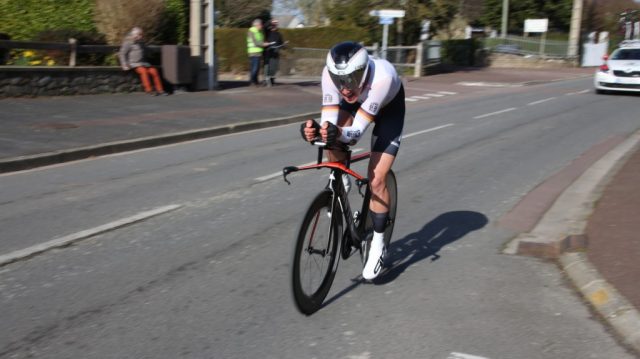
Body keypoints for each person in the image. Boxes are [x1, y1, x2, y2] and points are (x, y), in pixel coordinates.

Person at [300, 41, 405, 280]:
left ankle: (378, 245)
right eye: (340, 81)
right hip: (358, 104)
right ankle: (341, 183)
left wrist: (337, 132)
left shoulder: (382, 78)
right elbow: (329, 123)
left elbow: (356, 133)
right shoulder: (329, 76)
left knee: (377, 179)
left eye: (352, 78)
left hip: (389, 108)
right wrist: (315, 131)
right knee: (331, 135)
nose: (345, 87)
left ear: (365, 71)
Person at [119, 27, 167, 96]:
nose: (141, 36)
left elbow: (146, 50)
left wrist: (151, 52)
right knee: (143, 71)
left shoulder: (141, 42)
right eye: (139, 34)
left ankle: (160, 90)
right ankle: (149, 90)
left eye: (141, 35)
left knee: (154, 71)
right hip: (134, 64)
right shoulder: (128, 42)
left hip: (144, 63)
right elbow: (122, 53)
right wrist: (124, 65)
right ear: (134, 34)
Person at [247, 19, 272, 87]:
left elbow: (260, 41)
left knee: (256, 68)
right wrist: (264, 44)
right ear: (257, 25)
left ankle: (255, 81)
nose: (262, 26)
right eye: (261, 24)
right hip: (253, 52)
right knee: (255, 68)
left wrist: (264, 43)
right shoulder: (251, 31)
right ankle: (252, 82)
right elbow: (255, 42)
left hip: (258, 52)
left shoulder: (259, 31)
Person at [264, 19, 286, 86]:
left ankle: (272, 78)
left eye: (276, 25)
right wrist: (271, 21)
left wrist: (284, 45)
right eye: (273, 25)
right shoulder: (267, 32)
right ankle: (266, 79)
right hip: (269, 50)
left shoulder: (279, 34)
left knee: (274, 66)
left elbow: (281, 43)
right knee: (268, 66)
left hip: (276, 51)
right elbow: (265, 26)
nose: (274, 27)